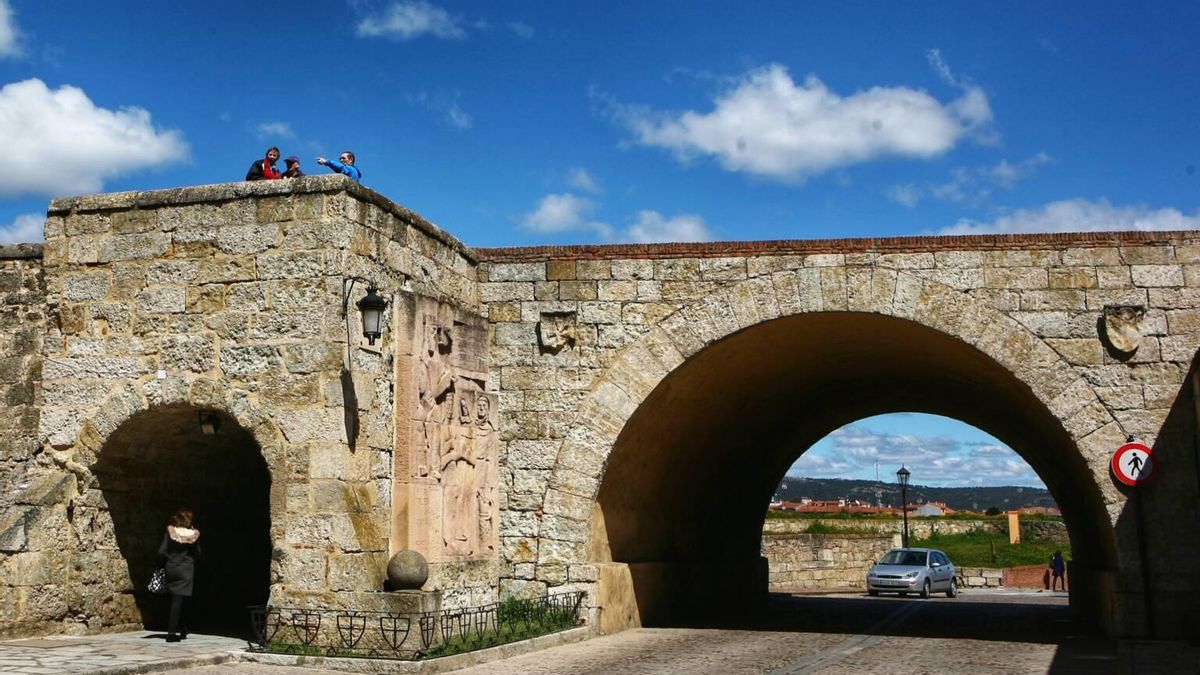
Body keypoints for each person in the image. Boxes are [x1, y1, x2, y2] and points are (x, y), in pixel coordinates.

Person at [158, 508, 202, 642]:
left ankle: (183, 628)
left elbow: (161, 552)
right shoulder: (192, 536)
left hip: (171, 568)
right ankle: (172, 633)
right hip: (186, 569)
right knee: (181, 600)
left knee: (176, 599)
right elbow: (198, 553)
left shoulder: (170, 533)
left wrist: (170, 559)